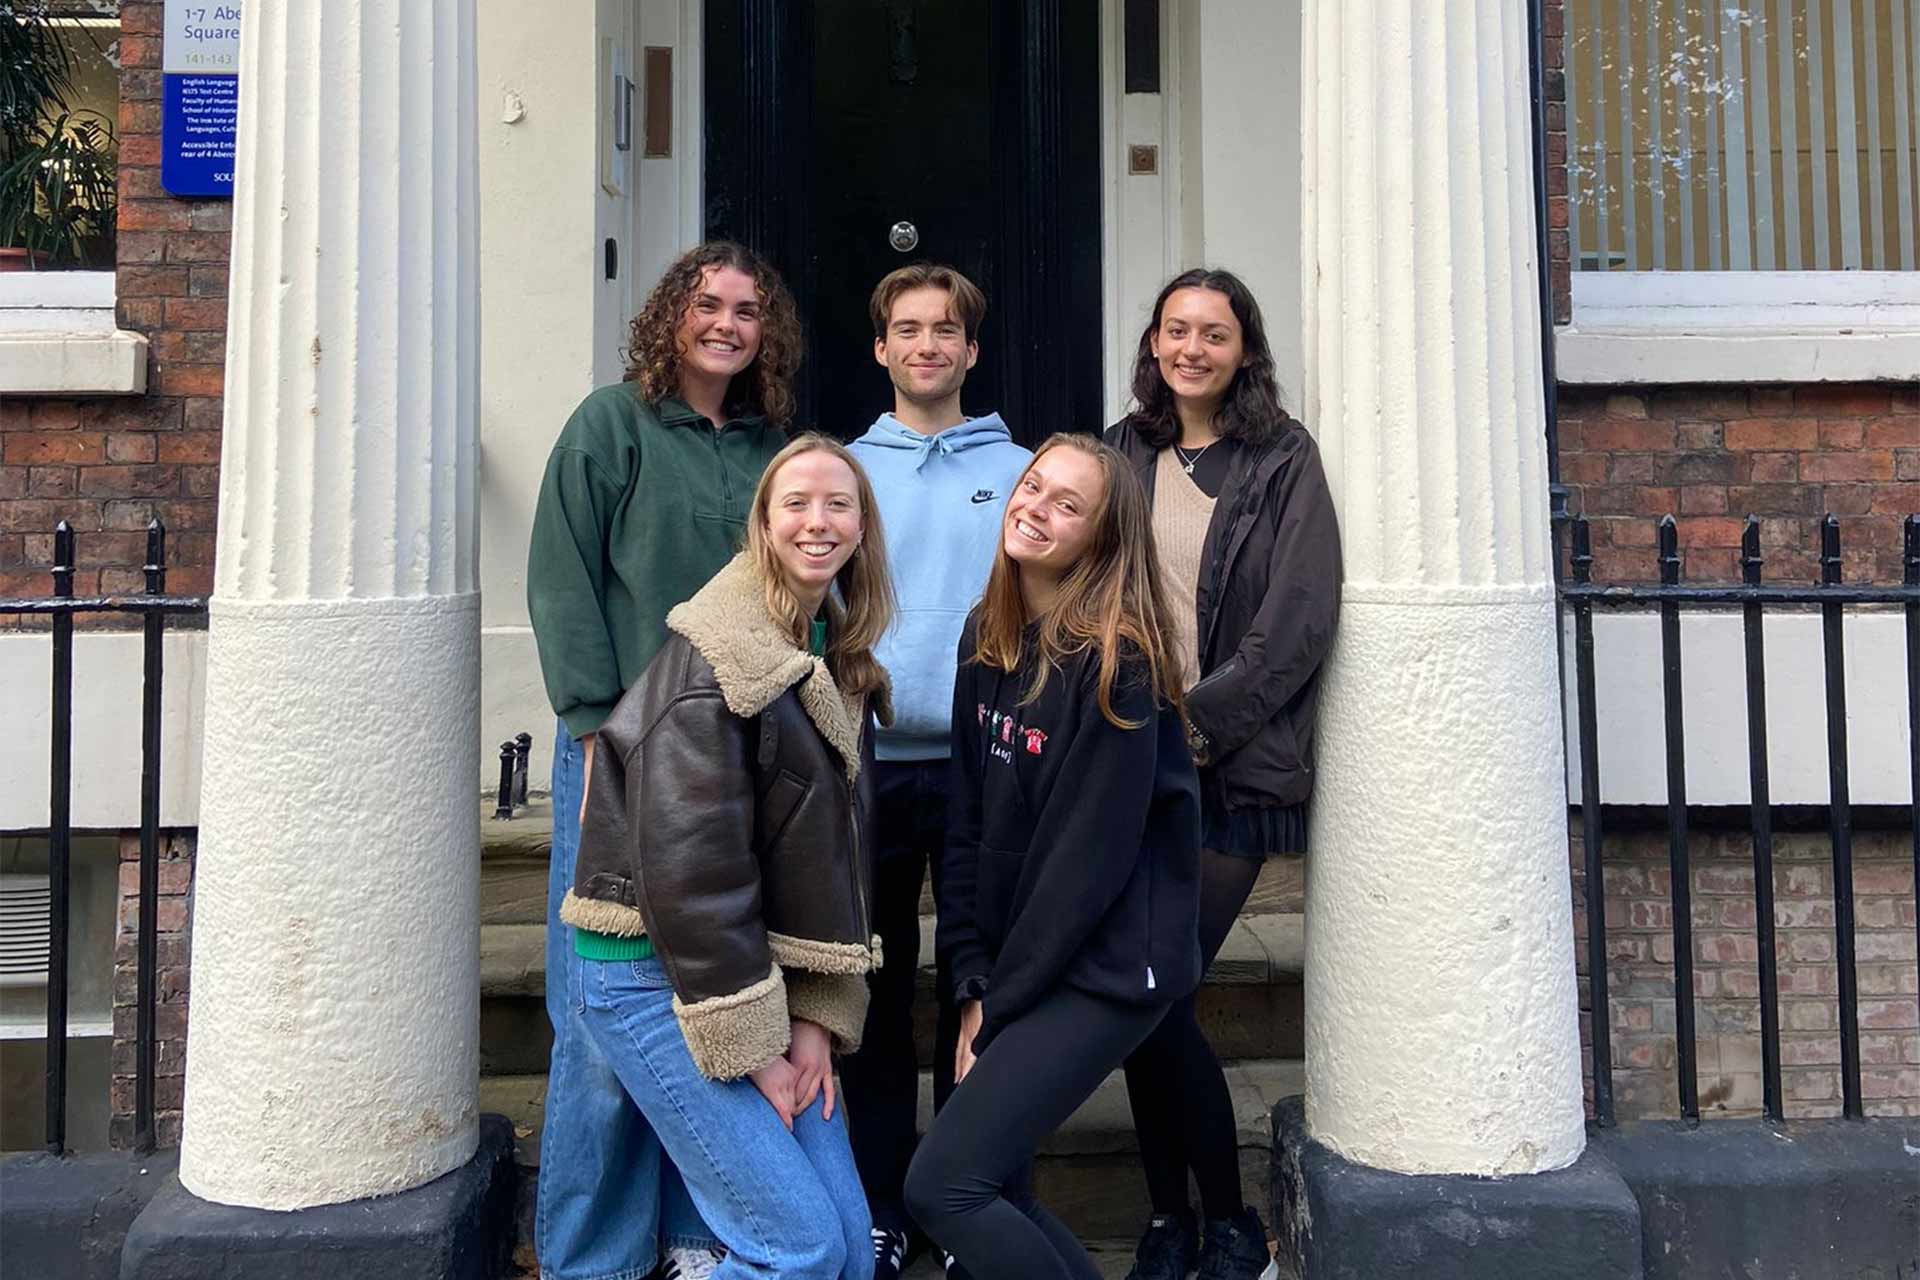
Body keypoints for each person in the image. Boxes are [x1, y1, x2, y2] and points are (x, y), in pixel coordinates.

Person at [526, 241, 800, 1280]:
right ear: (668, 318)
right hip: (624, 751)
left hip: (736, 760)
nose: (727, 322)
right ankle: (593, 1254)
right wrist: (593, 727)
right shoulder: (613, 423)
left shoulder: (776, 449)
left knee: (716, 1000)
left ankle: (696, 1236)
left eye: (747, 308)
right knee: (601, 1019)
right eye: (707, 303)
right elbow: (562, 578)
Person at [560, 433, 895, 1280]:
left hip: (756, 976)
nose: (817, 522)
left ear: (863, 527)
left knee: (853, 1253)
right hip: (655, 976)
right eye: (796, 504)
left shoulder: (829, 656)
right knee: (800, 1252)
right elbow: (693, 882)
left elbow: (831, 868)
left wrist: (816, 1018)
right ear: (762, 526)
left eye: (838, 503)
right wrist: (757, 1049)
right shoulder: (714, 669)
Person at [904, 433, 1203, 1280]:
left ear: (1101, 539)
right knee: (995, 1185)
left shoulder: (1119, 666)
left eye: (1067, 504)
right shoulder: (985, 634)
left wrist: (999, 1008)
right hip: (1021, 961)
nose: (1035, 507)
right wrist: (970, 981)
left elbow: (1084, 866)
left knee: (945, 1186)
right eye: (1033, 487)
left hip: (1109, 965)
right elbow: (965, 828)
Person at [1106, 268, 1341, 1280]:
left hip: (1230, 766)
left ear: (1244, 348)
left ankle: (1228, 1216)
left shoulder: (1282, 458)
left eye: (1214, 331)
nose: (1192, 347)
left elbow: (1298, 620)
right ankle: (1173, 1220)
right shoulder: (1122, 449)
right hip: (1124, 763)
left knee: (1156, 990)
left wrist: (1195, 725)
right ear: (1153, 344)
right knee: (1137, 991)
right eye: (1176, 330)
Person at [842, 263, 1031, 1280]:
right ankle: (876, 1198)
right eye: (907, 330)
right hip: (868, 764)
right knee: (869, 989)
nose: (926, 346)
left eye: (944, 330)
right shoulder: (841, 468)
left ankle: (969, 1207)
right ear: (880, 348)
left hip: (984, 769)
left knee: (981, 988)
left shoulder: (1023, 469)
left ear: (970, 348)